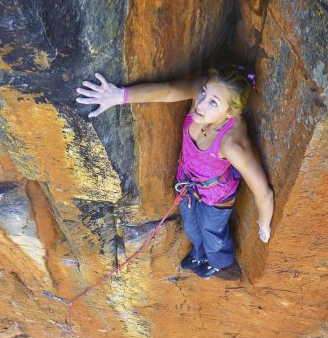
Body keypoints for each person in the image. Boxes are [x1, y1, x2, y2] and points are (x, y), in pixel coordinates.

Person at [75, 68, 274, 279]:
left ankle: (218, 262)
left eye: (213, 102)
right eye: (204, 93)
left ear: (231, 113)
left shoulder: (231, 144)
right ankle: (199, 254)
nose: (201, 103)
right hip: (187, 183)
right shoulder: (201, 99)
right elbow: (167, 91)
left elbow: (264, 193)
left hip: (216, 197)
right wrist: (120, 96)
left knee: (211, 232)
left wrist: (264, 223)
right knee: (191, 225)